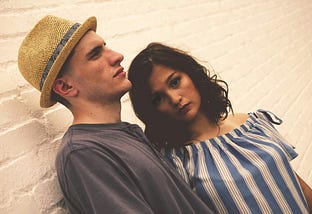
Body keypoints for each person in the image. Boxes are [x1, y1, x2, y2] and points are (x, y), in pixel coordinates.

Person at [17, 16, 213, 214]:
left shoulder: (123, 133)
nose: (117, 56)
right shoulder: (84, 154)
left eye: (105, 47)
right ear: (66, 86)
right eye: (95, 54)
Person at [128, 42, 312, 213]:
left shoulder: (251, 123)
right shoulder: (175, 163)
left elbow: (298, 186)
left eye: (175, 82)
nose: (175, 98)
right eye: (158, 98)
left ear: (191, 74)